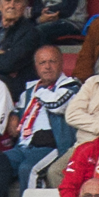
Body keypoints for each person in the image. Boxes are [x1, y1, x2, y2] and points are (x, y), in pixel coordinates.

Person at [6, 43, 80, 185]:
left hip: (52, 146)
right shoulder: (29, 91)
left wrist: (39, 90)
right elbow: (18, 108)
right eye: (42, 63)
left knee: (28, 169)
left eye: (52, 61)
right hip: (24, 145)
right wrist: (14, 116)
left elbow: (56, 105)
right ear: (36, 67)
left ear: (61, 63)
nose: (47, 66)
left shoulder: (71, 86)